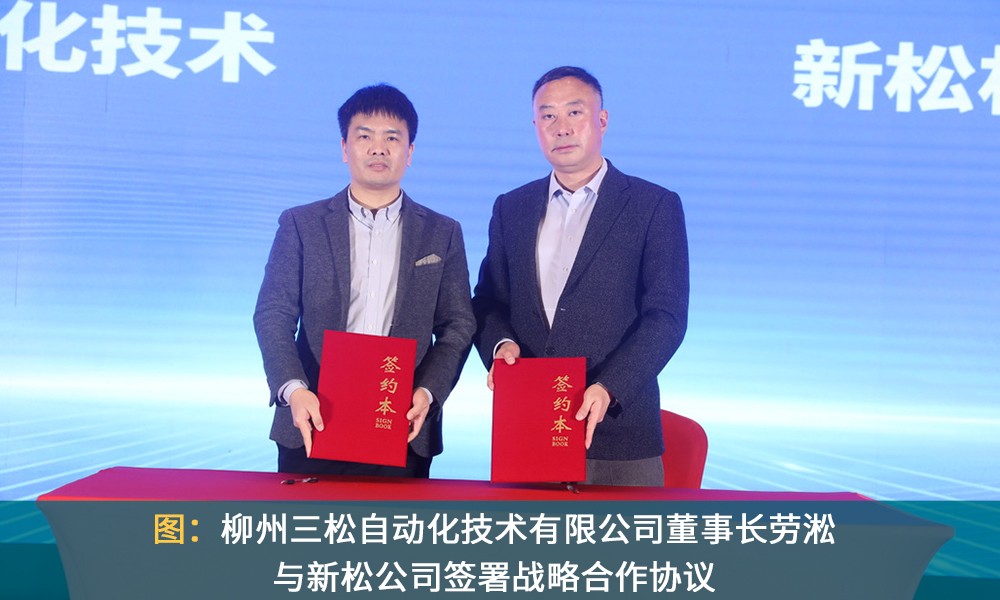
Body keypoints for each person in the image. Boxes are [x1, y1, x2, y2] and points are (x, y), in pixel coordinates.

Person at [472, 66, 689, 486]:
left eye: (575, 112)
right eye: (548, 116)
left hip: (620, 434)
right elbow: (488, 301)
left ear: (602, 120)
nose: (562, 127)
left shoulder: (653, 206)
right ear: (535, 126)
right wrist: (500, 344)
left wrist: (610, 387)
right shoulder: (511, 207)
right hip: (530, 428)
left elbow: (666, 318)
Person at [254, 84, 475, 478]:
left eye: (392, 138)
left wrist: (428, 392)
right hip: (313, 416)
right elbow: (273, 313)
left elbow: (458, 324)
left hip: (401, 419)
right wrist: (293, 390)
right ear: (344, 148)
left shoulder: (442, 233)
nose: (378, 149)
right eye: (364, 136)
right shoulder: (302, 224)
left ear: (410, 152)